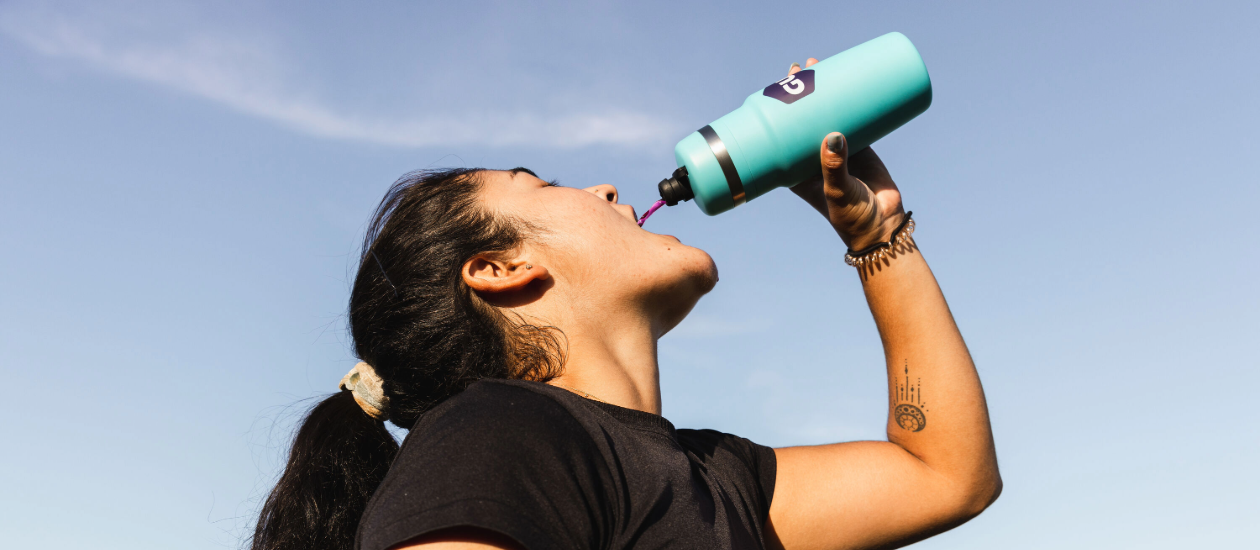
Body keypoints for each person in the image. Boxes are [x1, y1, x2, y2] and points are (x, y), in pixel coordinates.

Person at [251, 59, 1000, 550]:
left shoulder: (715, 473)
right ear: (502, 268)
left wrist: (878, 236)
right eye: (543, 184)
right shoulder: (500, 434)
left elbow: (947, 476)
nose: (607, 190)